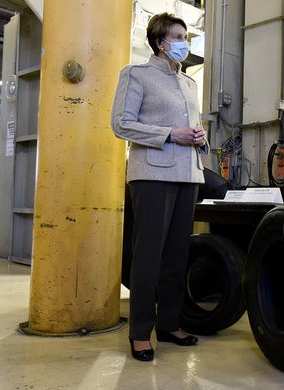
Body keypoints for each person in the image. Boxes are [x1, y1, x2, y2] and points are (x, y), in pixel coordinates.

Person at [111, 12, 209, 362]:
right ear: (160, 42)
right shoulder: (136, 75)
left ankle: (168, 323)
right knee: (148, 255)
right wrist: (170, 134)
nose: (185, 43)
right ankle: (140, 331)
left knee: (176, 256)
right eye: (179, 36)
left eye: (186, 37)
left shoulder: (190, 84)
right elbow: (121, 124)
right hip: (151, 174)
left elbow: (191, 128)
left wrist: (200, 137)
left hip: (188, 175)